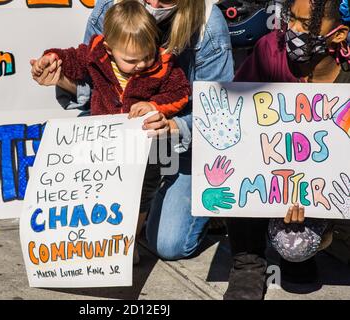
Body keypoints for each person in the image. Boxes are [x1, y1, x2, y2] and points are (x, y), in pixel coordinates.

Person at [32, 0, 234, 262]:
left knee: (169, 244)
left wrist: (169, 121)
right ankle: (99, 234)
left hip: (181, 141)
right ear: (108, 47)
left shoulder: (207, 25)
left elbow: (216, 111)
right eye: (130, 60)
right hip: (116, 135)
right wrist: (58, 73)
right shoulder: (108, 11)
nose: (156, 4)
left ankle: (144, 228)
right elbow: (81, 65)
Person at [225, 0, 350, 300]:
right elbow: (235, 117)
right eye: (291, 18)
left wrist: (329, 219)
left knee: (300, 248)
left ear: (338, 34)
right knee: (237, 160)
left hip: (328, 189)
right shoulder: (270, 50)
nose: (292, 29)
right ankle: (248, 262)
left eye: (305, 24)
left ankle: (318, 247)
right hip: (272, 174)